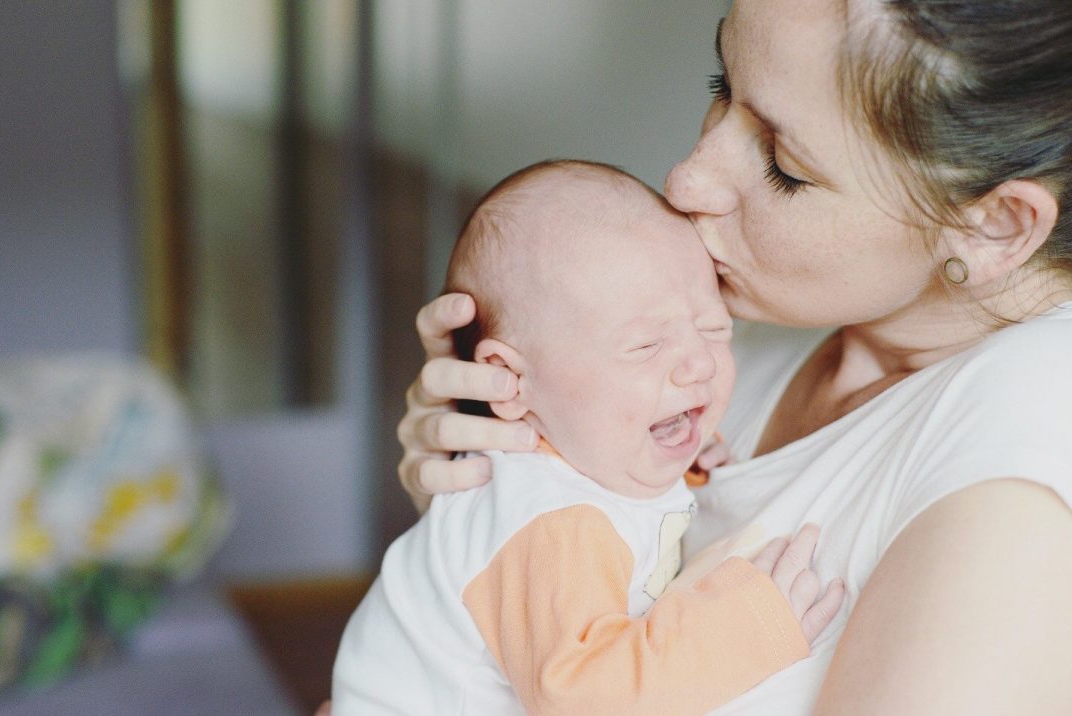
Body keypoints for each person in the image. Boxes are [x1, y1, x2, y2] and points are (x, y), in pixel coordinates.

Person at [396, 1, 1072, 713]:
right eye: (722, 89)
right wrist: (499, 500)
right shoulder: (741, 334)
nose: (686, 179)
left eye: (782, 163)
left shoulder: (1055, 418)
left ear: (992, 226)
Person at [332, 160, 845, 715]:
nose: (698, 362)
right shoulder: (550, 523)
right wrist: (742, 630)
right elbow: (580, 696)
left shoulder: (586, 452)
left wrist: (687, 454)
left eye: (713, 327)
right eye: (644, 345)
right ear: (512, 382)